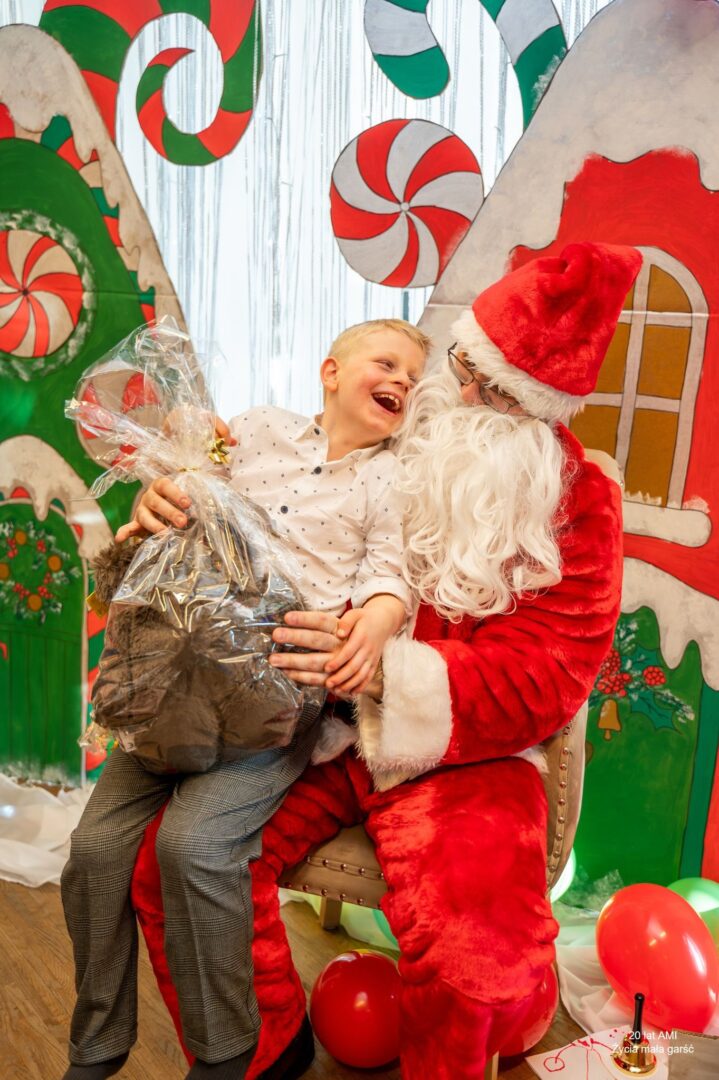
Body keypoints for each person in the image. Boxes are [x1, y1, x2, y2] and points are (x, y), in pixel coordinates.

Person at [129, 241, 640, 1079]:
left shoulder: (577, 500)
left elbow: (548, 675)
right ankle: (263, 1050)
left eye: (494, 393)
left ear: (541, 409)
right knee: (169, 866)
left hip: (462, 758)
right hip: (317, 726)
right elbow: (279, 482)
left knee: (478, 969)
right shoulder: (401, 424)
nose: (461, 397)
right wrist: (182, 486)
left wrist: (385, 673)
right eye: (464, 370)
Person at [60, 319, 429, 1080]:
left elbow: (391, 572)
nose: (403, 381)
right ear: (330, 372)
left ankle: (229, 1051)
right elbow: (191, 497)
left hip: (272, 698)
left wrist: (377, 623)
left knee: (192, 846)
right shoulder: (258, 431)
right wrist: (165, 490)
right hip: (174, 677)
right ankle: (97, 1044)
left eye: (415, 379)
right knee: (93, 852)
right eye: (387, 362)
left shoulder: (394, 477)